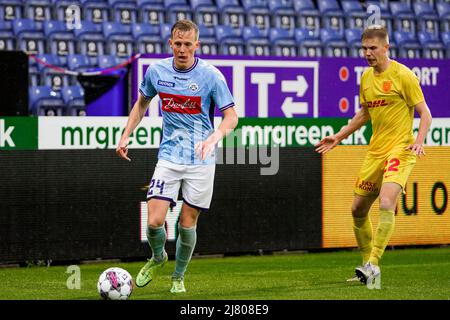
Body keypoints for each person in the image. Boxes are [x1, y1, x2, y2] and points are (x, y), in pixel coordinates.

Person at [116, 19, 238, 293]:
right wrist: (126, 134)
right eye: (178, 44)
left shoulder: (211, 75)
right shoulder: (156, 71)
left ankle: (178, 275)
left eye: (188, 44)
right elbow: (142, 103)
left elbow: (231, 117)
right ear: (170, 44)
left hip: (201, 160)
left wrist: (215, 137)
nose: (182, 49)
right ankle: (158, 257)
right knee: (154, 220)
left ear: (197, 45)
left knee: (186, 223)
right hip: (169, 157)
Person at [315, 25, 432, 287]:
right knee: (357, 209)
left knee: (387, 202)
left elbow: (425, 113)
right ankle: (370, 272)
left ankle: (373, 263)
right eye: (364, 49)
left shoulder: (404, 75)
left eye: (373, 48)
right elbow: (364, 113)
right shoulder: (366, 79)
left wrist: (419, 142)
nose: (368, 53)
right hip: (375, 151)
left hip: (401, 148)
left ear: (386, 48)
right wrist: (339, 136)